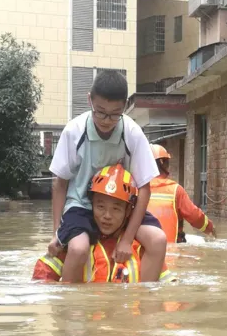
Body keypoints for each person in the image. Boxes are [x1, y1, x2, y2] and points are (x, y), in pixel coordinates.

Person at [47, 70, 167, 282]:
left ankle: (145, 305)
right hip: (81, 204)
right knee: (78, 249)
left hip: (121, 205)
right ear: (89, 100)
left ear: (125, 107)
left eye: (114, 114)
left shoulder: (132, 133)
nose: (106, 120)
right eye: (100, 112)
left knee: (158, 240)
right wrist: (57, 232)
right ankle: (68, 310)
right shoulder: (73, 131)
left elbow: (144, 188)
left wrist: (127, 239)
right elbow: (60, 183)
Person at [33, 164, 175, 283]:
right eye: (100, 207)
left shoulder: (141, 248)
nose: (107, 216)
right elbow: (42, 277)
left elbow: (165, 289)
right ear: (91, 205)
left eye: (116, 209)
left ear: (128, 212)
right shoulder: (76, 240)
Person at [148, 143, 216, 243]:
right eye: (167, 163)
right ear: (163, 163)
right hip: (172, 250)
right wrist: (210, 228)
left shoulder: (135, 188)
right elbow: (194, 216)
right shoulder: (175, 190)